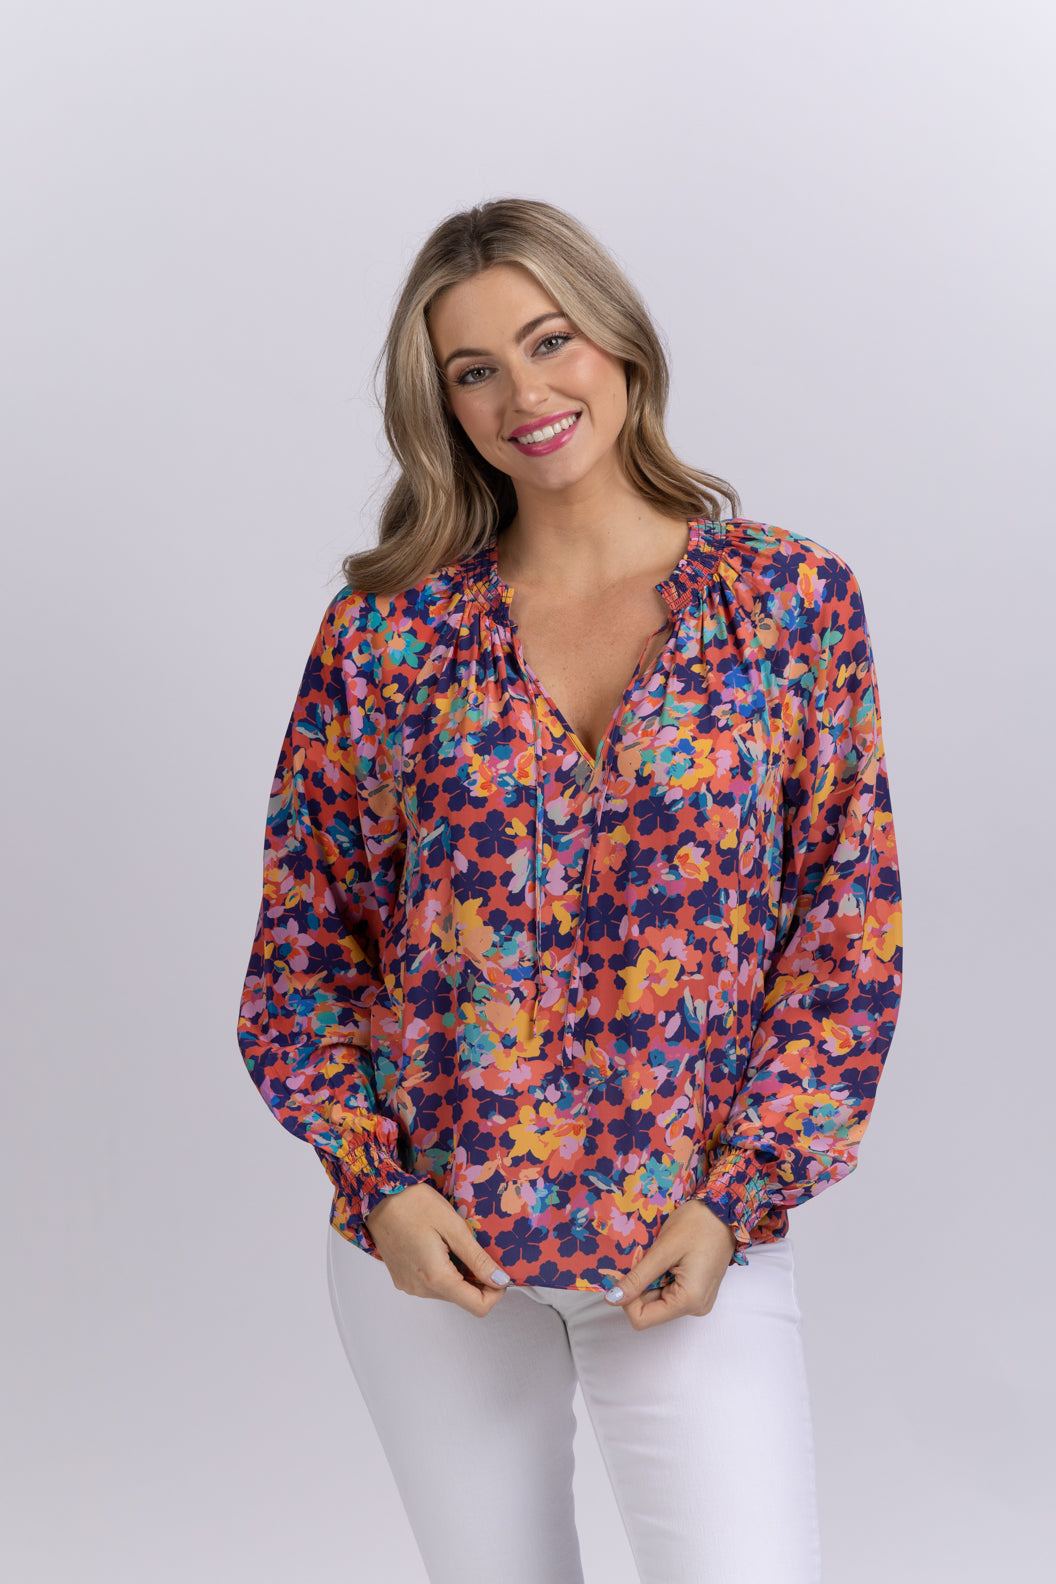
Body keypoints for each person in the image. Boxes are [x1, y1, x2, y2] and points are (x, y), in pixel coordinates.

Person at [236, 197, 902, 1584]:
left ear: (620, 341)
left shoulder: (790, 605)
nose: (525, 395)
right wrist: (377, 1186)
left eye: (550, 342)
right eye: (474, 370)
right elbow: (308, 945)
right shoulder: (388, 635)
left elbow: (843, 941)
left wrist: (735, 1200)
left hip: (689, 1241)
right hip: (437, 1254)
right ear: (442, 405)